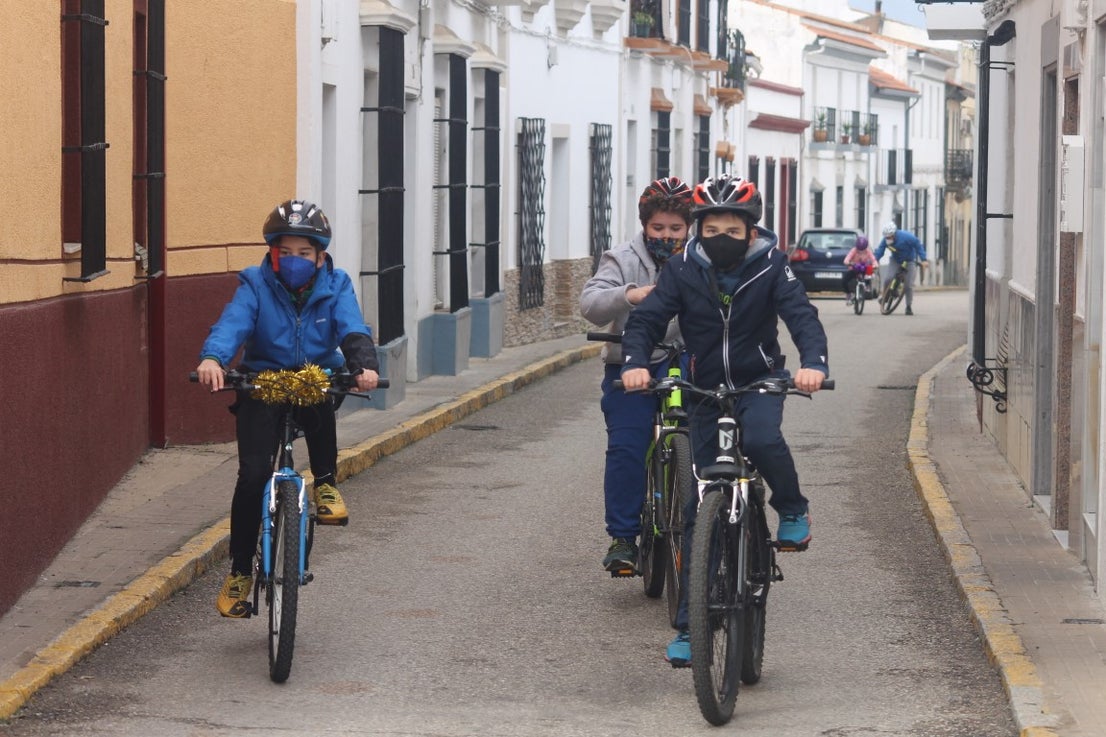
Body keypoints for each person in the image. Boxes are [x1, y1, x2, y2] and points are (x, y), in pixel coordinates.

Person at [619, 174, 828, 666]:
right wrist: (634, 363)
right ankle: (690, 629)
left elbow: (801, 316)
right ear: (699, 229)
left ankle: (792, 509)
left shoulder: (773, 266)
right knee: (697, 512)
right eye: (711, 230)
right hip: (704, 390)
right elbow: (648, 318)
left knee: (762, 438)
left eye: (732, 231)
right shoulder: (682, 268)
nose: (721, 239)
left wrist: (813, 364)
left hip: (759, 381)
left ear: (750, 231)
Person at [196, 199, 380, 618]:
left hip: (316, 374)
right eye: (286, 251)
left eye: (304, 252)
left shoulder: (336, 284)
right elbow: (233, 323)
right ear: (273, 253)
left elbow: (352, 326)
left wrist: (363, 366)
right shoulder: (254, 284)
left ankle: (327, 483)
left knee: (320, 396)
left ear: (320, 257)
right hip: (262, 380)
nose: (295, 259)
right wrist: (213, 358)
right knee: (252, 476)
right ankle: (240, 572)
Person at [580, 177, 694, 574]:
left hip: (686, 357)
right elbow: (591, 305)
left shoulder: (702, 257)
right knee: (627, 446)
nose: (667, 236)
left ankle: (705, 530)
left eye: (676, 228)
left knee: (706, 434)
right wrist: (630, 294)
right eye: (658, 227)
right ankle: (624, 538)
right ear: (645, 225)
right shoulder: (621, 258)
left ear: (689, 227)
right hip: (630, 361)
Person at [874, 221, 927, 315]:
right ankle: (885, 297)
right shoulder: (885, 240)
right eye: (886, 237)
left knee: (908, 285)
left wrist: (924, 259)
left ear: (894, 234)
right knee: (888, 278)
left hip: (909, 260)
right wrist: (875, 261)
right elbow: (880, 251)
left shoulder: (906, 237)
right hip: (895, 260)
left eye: (889, 237)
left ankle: (908, 306)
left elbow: (918, 245)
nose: (888, 239)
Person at [842, 234, 878, 304]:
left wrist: (875, 265)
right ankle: (849, 294)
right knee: (844, 280)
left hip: (864, 269)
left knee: (870, 271)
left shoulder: (868, 251)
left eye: (863, 250)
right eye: (859, 250)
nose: (861, 252)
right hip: (854, 269)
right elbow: (847, 259)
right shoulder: (853, 250)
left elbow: (873, 260)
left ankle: (867, 285)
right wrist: (848, 263)